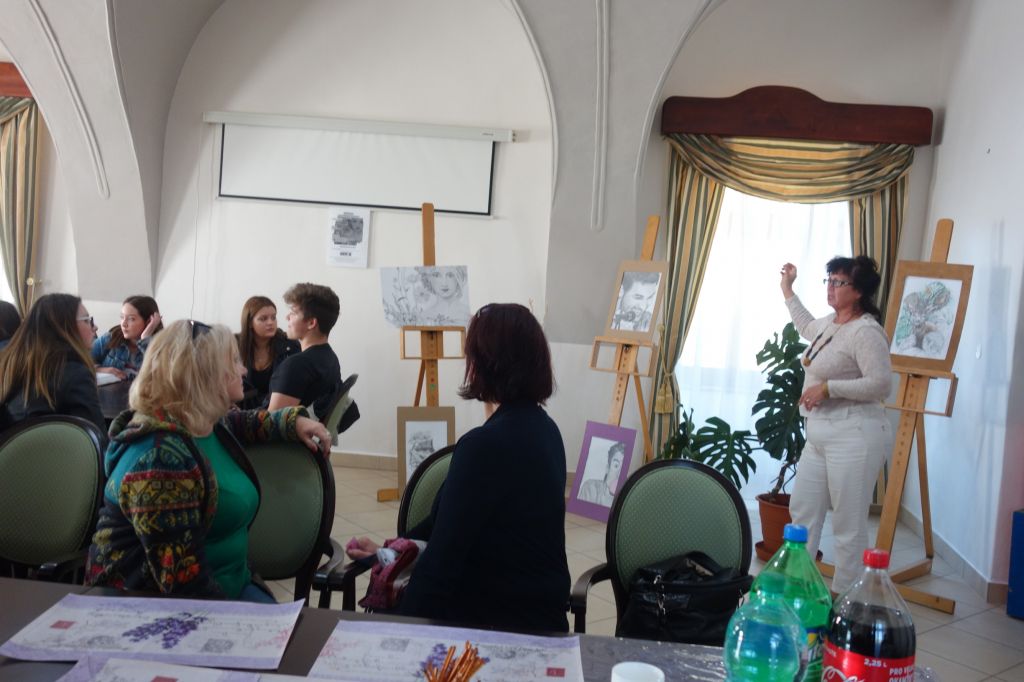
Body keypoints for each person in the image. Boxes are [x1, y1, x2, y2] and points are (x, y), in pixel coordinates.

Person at [348, 303, 571, 632]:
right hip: (543, 616)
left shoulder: (484, 446)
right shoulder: (547, 430)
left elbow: (441, 566)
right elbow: (444, 525)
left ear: (482, 363)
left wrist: (395, 632)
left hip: (496, 626)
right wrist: (388, 552)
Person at [85, 319, 331, 602]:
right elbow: (184, 585)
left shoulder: (200, 422)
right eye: (234, 362)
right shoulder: (159, 460)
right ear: (204, 373)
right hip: (152, 609)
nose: (243, 370)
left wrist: (289, 422)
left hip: (229, 583)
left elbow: (238, 422)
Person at [779, 255, 893, 591]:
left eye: (838, 282)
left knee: (848, 525)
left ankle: (846, 601)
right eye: (828, 280)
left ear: (858, 291)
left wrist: (829, 389)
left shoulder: (866, 332)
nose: (830, 287)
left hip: (854, 435)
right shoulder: (832, 323)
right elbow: (805, 325)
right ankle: (796, 590)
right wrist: (788, 289)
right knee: (803, 514)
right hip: (820, 435)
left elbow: (881, 384)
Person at [0, 293, 104, 435]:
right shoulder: (75, 374)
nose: (95, 327)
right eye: (87, 320)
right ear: (65, 327)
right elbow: (96, 437)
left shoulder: (12, 364)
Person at [267, 283, 342, 418]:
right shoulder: (331, 358)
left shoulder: (295, 366)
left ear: (311, 323)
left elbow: (271, 425)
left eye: (293, 313)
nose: (287, 317)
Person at [237, 296, 299, 409]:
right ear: (250, 323)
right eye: (263, 319)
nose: (270, 322)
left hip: (276, 410)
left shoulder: (289, 346)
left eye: (273, 317)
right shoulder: (234, 345)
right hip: (240, 410)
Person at [92, 295, 163, 380]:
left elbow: (163, 375)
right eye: (122, 317)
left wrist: (145, 339)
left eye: (131, 319)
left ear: (149, 321)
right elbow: (80, 361)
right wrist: (101, 369)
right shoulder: (111, 337)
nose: (124, 324)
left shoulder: (162, 344)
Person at [578, 440, 625, 507]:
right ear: (607, 468)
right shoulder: (590, 488)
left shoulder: (623, 499)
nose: (619, 473)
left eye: (623, 469)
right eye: (616, 466)